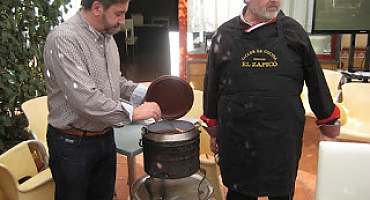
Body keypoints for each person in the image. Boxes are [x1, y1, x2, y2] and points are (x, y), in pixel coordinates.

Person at [200, 0, 341, 199]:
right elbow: (212, 85)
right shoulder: (225, 34)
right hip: (238, 134)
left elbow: (316, 80)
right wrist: (214, 128)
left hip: (282, 136)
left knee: (281, 192)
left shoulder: (294, 32)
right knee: (239, 192)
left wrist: (328, 123)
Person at [43, 0, 161, 199]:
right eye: (118, 13)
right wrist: (133, 113)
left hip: (105, 137)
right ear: (97, 8)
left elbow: (115, 82)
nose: (123, 21)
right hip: (73, 144)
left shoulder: (107, 38)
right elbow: (85, 99)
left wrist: (146, 93)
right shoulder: (64, 39)